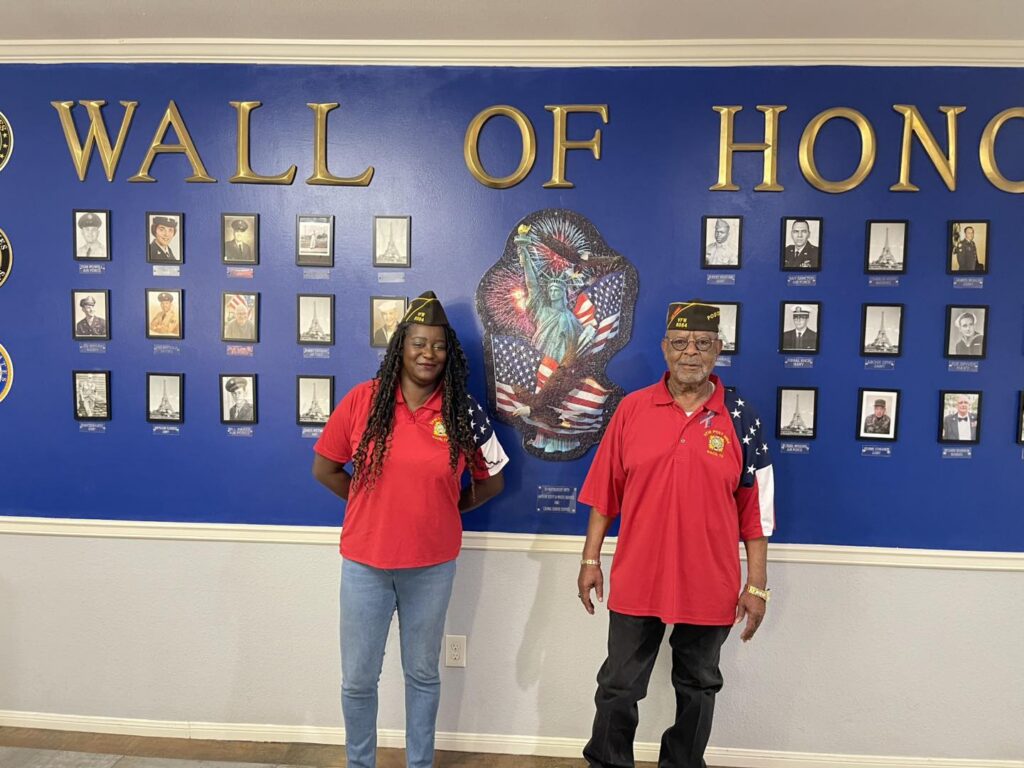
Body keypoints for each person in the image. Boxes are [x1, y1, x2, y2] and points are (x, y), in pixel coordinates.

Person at [312, 291, 508, 768]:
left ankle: (420, 763)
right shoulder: (362, 401)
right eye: (419, 343)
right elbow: (326, 469)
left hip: (431, 568)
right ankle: (360, 763)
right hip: (366, 566)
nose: (428, 354)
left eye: (438, 346)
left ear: (448, 352)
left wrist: (446, 507)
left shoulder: (462, 410)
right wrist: (370, 502)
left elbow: (493, 479)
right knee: (358, 680)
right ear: (401, 346)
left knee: (422, 675)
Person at [577, 300, 775, 768]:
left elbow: (757, 513)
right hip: (638, 576)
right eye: (681, 342)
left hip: (710, 579)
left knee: (699, 685)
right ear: (665, 348)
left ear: (718, 350)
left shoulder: (740, 417)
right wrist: (589, 560)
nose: (691, 352)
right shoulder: (632, 409)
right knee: (618, 686)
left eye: (703, 343)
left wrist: (757, 584)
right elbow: (605, 494)